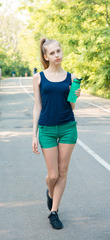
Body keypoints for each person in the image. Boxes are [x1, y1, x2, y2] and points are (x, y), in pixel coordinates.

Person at [32, 38, 81, 230]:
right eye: (52, 53)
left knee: (62, 171)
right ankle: (50, 193)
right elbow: (37, 106)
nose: (57, 55)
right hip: (47, 129)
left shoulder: (72, 77)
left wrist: (75, 95)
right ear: (46, 56)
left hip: (68, 127)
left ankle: (54, 211)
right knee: (52, 175)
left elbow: (72, 106)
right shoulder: (38, 78)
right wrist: (33, 135)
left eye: (58, 51)